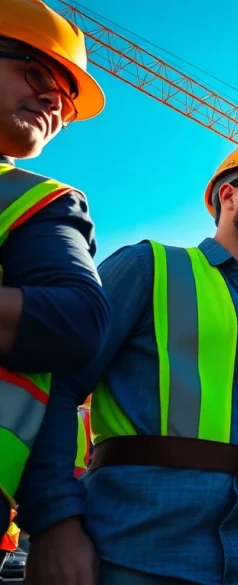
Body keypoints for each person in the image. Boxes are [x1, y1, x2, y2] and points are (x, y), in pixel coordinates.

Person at [17, 139, 238, 585]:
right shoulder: (149, 266)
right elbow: (58, 385)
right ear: (228, 195)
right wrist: (55, 521)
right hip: (129, 551)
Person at [0, 0, 111, 534]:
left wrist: (56, 517)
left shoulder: (33, 200)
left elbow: (75, 324)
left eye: (65, 102)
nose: (53, 101)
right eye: (39, 71)